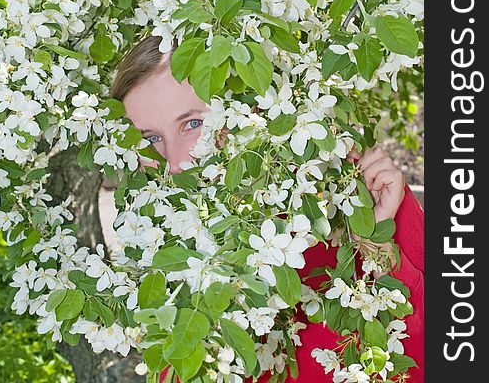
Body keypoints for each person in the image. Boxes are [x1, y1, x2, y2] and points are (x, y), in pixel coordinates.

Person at [110, 35, 424, 382]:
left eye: (193, 123)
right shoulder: (162, 256)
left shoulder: (355, 190)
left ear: (245, 108)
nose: (177, 162)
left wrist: (377, 246)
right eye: (151, 138)